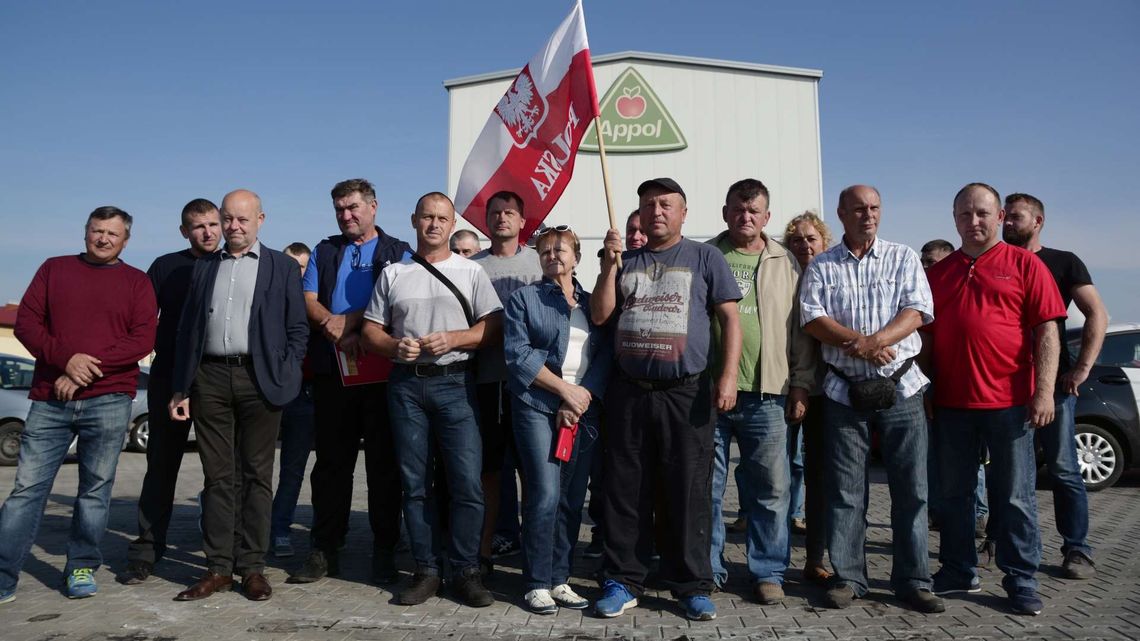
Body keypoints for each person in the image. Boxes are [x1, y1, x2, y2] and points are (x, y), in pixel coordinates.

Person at [590, 177, 742, 622]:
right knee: (625, 490)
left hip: (688, 391)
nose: (657, 211)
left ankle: (690, 584)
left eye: (666, 204)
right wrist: (608, 266)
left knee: (688, 490)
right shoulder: (625, 260)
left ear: (683, 212)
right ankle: (622, 580)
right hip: (629, 392)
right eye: (649, 204)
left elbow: (729, 320)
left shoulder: (705, 257)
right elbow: (600, 315)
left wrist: (727, 377)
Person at [799, 185, 943, 613]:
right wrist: (859, 343)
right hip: (845, 392)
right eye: (859, 209)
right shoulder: (822, 265)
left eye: (875, 208)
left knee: (912, 491)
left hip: (902, 389)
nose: (868, 215)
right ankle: (848, 578)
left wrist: (877, 340)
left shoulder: (903, 257)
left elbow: (918, 311)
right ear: (841, 214)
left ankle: (914, 580)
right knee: (846, 491)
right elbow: (813, 318)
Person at [1, 206, 157, 603]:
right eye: (96, 230)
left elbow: (141, 340)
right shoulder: (54, 269)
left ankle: (81, 566)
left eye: (112, 233)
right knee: (26, 491)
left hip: (109, 401)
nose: (103, 238)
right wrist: (66, 359)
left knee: (94, 491)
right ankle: (4, 574)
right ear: (86, 232)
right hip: (49, 400)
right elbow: (27, 324)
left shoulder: (137, 282)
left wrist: (82, 370)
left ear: (126, 240)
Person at [924, 183, 1065, 616]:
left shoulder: (1025, 265)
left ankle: (1020, 578)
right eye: (965, 214)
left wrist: (1043, 391)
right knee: (953, 495)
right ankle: (956, 570)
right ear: (954, 218)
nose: (974, 221)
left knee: (1015, 496)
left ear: (1000, 216)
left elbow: (1047, 331)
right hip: (951, 404)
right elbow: (925, 337)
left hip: (1010, 404)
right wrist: (928, 388)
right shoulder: (938, 273)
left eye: (983, 213)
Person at [361, 192, 502, 607]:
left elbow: (493, 326)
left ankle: (466, 570)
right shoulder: (393, 273)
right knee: (415, 484)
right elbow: (371, 331)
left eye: (442, 218)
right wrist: (391, 347)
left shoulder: (470, 272)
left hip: (456, 383)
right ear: (414, 220)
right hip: (406, 385)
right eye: (427, 217)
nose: (434, 224)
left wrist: (456, 338)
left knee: (466, 483)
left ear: (452, 221)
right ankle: (425, 569)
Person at [170, 189, 308, 602]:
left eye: (242, 220)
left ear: (260, 220)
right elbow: (188, 330)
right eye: (227, 218)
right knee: (217, 477)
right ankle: (218, 568)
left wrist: (287, 372)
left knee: (256, 475)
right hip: (209, 379)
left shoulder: (281, 266)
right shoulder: (204, 266)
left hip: (259, 381)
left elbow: (297, 329)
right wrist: (182, 386)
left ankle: (252, 567)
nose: (233, 227)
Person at [289, 179, 411, 585]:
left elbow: (398, 302)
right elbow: (308, 300)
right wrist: (333, 324)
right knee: (330, 468)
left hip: (381, 375)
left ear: (373, 207)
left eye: (354, 207)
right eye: (340, 209)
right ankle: (325, 550)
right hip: (331, 374)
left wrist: (356, 324)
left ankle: (384, 552)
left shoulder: (399, 252)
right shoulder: (325, 250)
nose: (347, 216)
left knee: (384, 469)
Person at [706, 180, 815, 604]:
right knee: (707, 489)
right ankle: (709, 568)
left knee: (771, 490)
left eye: (753, 211)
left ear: (767, 217)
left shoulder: (785, 261)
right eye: (737, 209)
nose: (745, 217)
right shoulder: (705, 256)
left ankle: (768, 571)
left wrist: (801, 384)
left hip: (769, 393)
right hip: (710, 393)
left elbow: (800, 330)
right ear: (725, 212)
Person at [503, 226, 611, 613]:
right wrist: (563, 392)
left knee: (570, 497)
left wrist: (581, 397)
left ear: (577, 257)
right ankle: (535, 582)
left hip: (583, 410)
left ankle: (559, 579)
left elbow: (605, 354)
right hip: (536, 405)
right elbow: (518, 355)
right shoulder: (524, 299)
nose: (552, 255)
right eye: (545, 250)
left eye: (560, 249)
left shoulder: (592, 303)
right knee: (544, 493)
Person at [1002, 191, 1106, 580]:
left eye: (1016, 217)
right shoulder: (996, 260)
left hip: (1055, 388)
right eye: (1005, 217)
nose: (1008, 223)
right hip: (1007, 388)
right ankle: (1002, 538)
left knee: (1063, 469)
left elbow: (1097, 312)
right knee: (1012, 472)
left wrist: (1081, 369)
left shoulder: (1063, 262)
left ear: (1038, 221)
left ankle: (1077, 549)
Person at [120, 199, 220, 585]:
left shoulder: (232, 265)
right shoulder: (164, 266)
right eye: (198, 226)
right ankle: (146, 549)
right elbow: (142, 321)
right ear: (185, 231)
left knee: (220, 472)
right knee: (161, 467)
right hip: (168, 379)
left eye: (213, 224)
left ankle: (219, 555)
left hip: (215, 379)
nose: (208, 232)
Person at [470, 191, 543, 572]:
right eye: (495, 213)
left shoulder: (537, 262)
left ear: (521, 220)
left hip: (534, 384)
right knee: (489, 472)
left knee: (534, 471)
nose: (502, 218)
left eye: (509, 212)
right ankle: (484, 551)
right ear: (486, 220)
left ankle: (535, 554)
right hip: (487, 382)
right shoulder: (471, 266)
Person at [782, 211, 834, 584]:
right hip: (785, 387)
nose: (804, 244)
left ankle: (816, 556)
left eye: (811, 238)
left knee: (821, 477)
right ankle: (773, 558)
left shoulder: (834, 275)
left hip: (828, 391)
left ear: (824, 241)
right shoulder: (782, 278)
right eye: (797, 239)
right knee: (778, 476)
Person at [269, 242, 317, 558]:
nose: (295, 272)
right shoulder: (269, 300)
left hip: (304, 396)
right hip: (269, 391)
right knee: (252, 466)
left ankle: (280, 529)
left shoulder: (314, 305)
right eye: (290, 265)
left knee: (293, 470)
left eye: (301, 267)